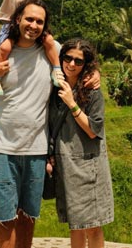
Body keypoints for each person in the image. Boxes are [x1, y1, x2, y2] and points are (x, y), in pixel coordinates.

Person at [0, 0, 99, 248]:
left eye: (39, 21)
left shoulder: (54, 51)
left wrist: (95, 73)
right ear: (17, 19)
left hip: (36, 151)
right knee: (4, 218)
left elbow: (80, 64)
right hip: (1, 148)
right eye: (29, 19)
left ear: (45, 26)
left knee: (27, 217)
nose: (33, 25)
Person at [47, 38, 114, 248]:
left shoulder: (92, 92)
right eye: (68, 58)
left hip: (90, 165)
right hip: (66, 164)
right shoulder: (54, 88)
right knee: (75, 224)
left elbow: (94, 130)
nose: (72, 64)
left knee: (93, 225)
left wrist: (72, 103)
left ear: (86, 65)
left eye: (79, 61)